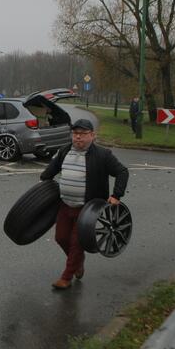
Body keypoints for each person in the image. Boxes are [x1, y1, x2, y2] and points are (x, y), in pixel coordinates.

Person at [40, 119, 128, 289]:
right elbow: (50, 172)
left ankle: (66, 277)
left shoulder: (103, 155)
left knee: (76, 242)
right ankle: (78, 263)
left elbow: (122, 172)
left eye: (83, 134)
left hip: (88, 210)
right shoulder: (65, 151)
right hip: (65, 205)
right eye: (75, 134)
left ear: (92, 136)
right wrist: (42, 185)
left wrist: (116, 195)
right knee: (61, 238)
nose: (78, 137)